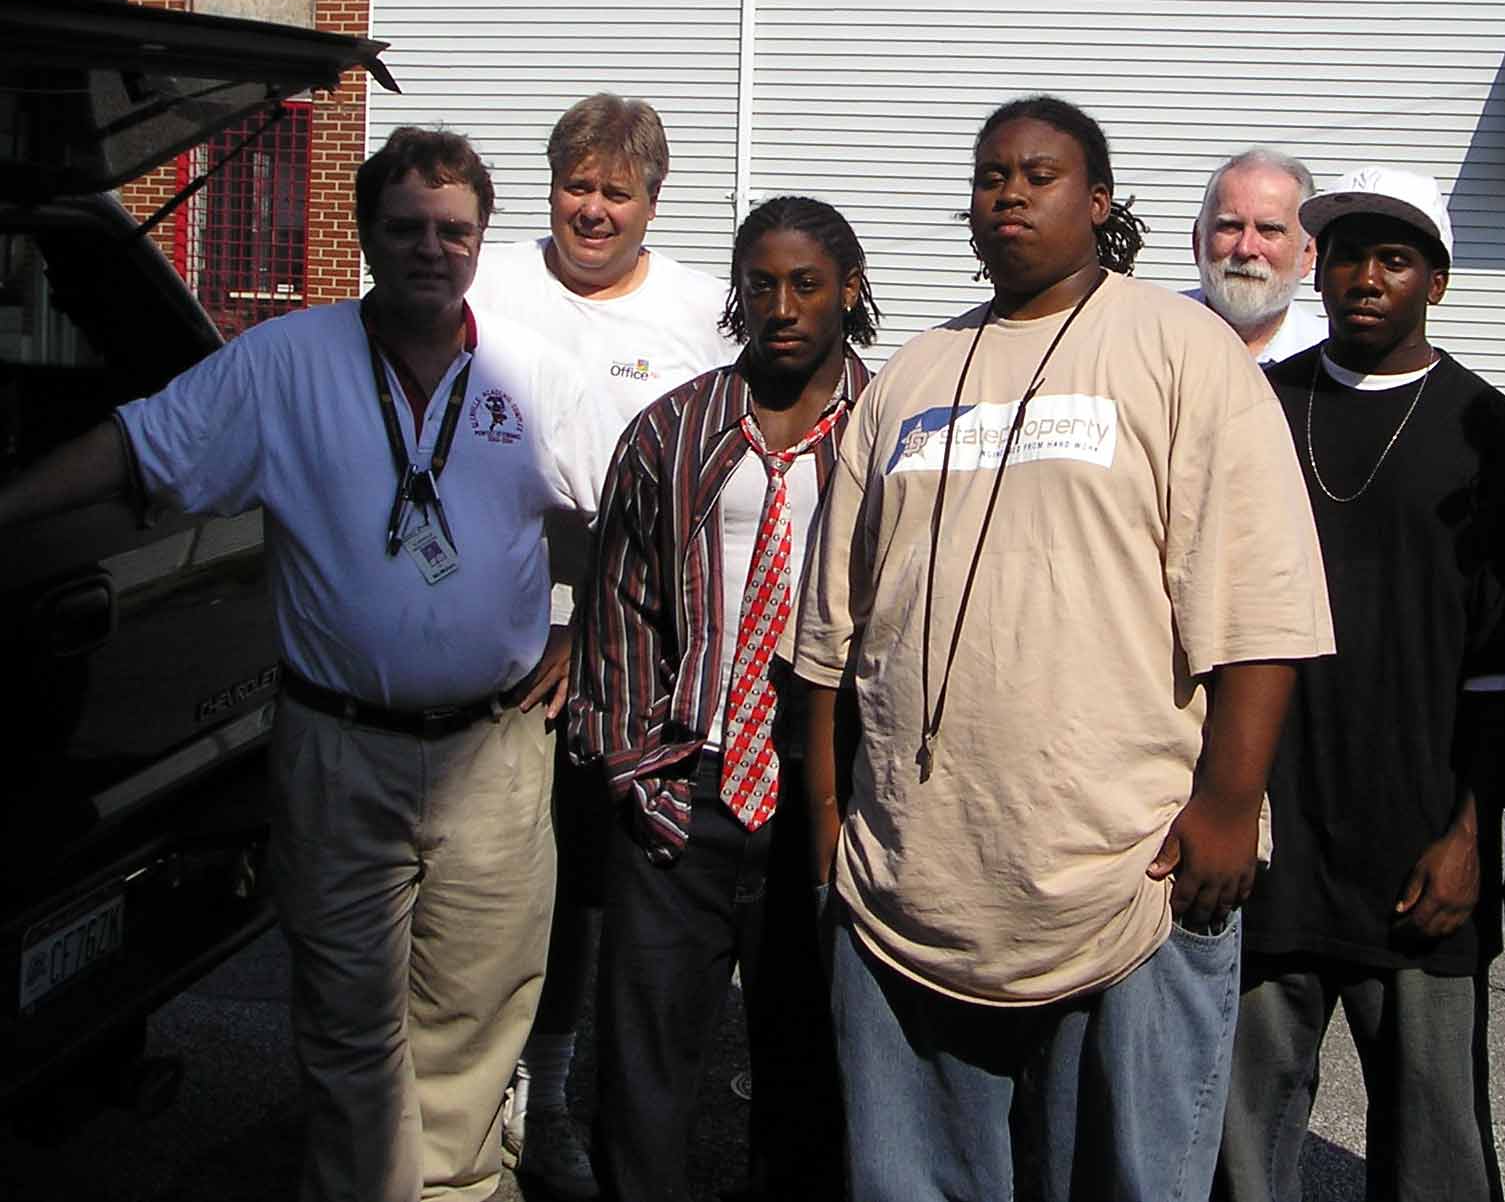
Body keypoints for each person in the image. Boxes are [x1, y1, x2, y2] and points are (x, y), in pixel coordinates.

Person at [0, 127, 622, 1202]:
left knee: (475, 1020)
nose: (432, 249)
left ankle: (457, 1190)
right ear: (367, 236)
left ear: (480, 241)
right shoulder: (284, 362)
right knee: (349, 1029)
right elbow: (137, 445)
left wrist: (589, 628)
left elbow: (635, 511)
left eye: (454, 231)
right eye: (407, 228)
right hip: (338, 751)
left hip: (496, 756)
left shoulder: (534, 377)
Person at [792, 95, 1334, 1201]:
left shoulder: (1183, 350)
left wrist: (1229, 802)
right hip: (913, 882)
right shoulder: (911, 376)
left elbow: (1260, 606)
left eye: (1038, 176)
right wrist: (826, 827)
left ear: (1097, 203)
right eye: (990, 177)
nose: (1009, 195)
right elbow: (829, 638)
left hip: (1127, 879)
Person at [1213, 166, 1505, 1202]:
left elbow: (1503, 669)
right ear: (1319, 272)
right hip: (1274, 841)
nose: (1366, 278)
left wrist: (1470, 836)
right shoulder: (1259, 408)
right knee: (1239, 1138)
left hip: (1420, 854)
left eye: (1394, 259)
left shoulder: (1489, 435)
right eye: (1349, 256)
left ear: (1434, 283)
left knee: (1435, 1143)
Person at [567, 195, 875, 1202]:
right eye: (761, 285)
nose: (781, 307)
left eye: (806, 285)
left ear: (849, 292)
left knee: (806, 1061)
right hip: (684, 789)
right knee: (642, 1066)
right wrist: (632, 764)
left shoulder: (889, 434)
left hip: (820, 798)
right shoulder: (673, 429)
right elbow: (620, 604)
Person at [467, 92, 739, 1199]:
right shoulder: (488, 287)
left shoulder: (700, 310)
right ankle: (470, 1107)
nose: (592, 209)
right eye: (575, 186)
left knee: (589, 890)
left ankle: (551, 1097)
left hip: (633, 649)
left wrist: (596, 624)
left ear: (652, 202)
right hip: (490, 640)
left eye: (615, 192)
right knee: (490, 893)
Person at [1186, 148, 1328, 365]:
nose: (1246, 249)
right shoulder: (1149, 335)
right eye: (1230, 227)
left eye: (1269, 230)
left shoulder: (1327, 360)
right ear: (1198, 242)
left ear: (1307, 254)